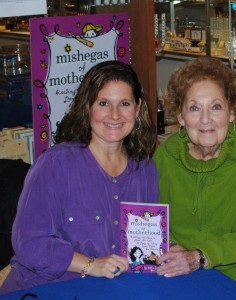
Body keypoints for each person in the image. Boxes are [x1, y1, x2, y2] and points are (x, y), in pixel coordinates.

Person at [0, 60, 159, 294]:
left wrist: (164, 250)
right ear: (88, 107)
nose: (115, 115)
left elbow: (143, 245)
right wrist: (90, 264)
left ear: (137, 108)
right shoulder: (55, 164)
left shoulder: (144, 169)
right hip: (45, 288)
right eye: (103, 103)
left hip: (111, 288)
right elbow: (30, 245)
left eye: (124, 103)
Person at [153, 57, 236, 300]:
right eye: (194, 108)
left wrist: (199, 255)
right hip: (189, 269)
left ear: (231, 112)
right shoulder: (165, 157)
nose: (206, 120)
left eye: (216, 107)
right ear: (181, 116)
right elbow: (154, 216)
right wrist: (175, 246)